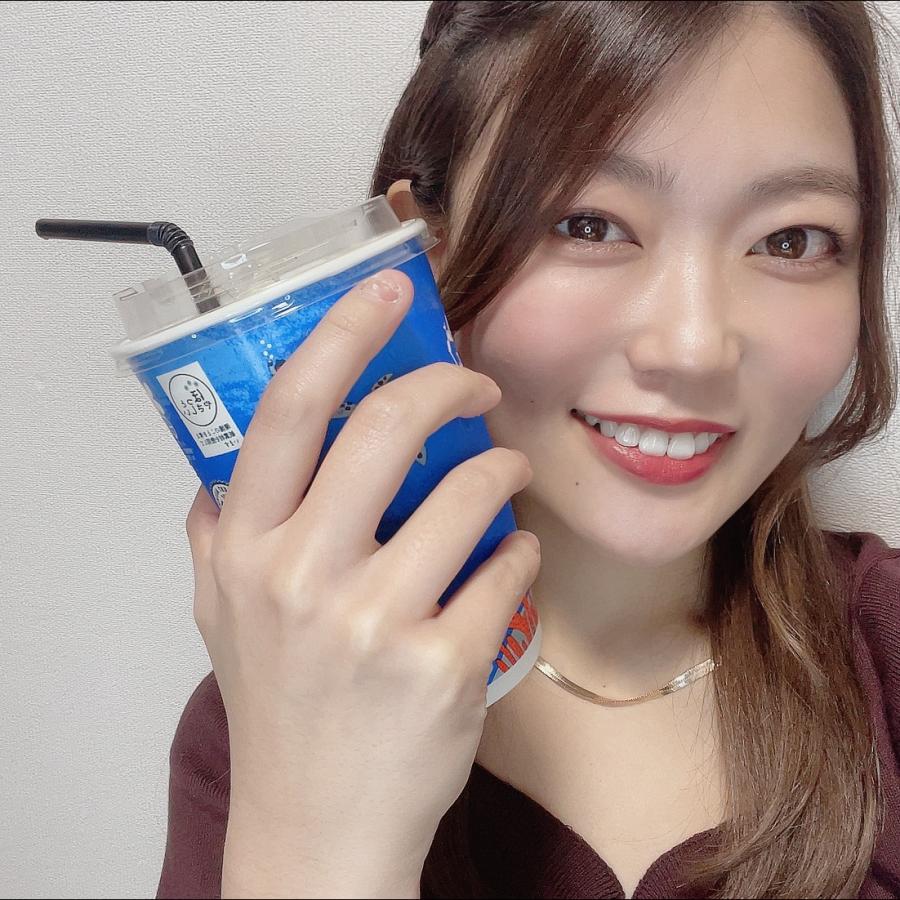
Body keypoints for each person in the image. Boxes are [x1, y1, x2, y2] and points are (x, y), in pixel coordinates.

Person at [156, 2, 900, 898]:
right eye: (588, 223)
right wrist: (313, 837)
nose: (695, 347)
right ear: (417, 253)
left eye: (791, 240)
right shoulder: (278, 711)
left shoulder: (885, 649)